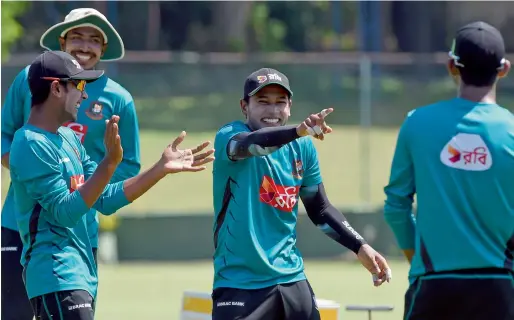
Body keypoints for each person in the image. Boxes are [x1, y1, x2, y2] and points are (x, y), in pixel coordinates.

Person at [9, 50, 214, 320]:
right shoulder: (30, 143)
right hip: (55, 274)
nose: (84, 95)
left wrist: (159, 169)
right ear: (56, 88)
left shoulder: (69, 138)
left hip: (81, 275)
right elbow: (64, 212)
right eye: (79, 85)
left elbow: (103, 199)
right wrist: (109, 163)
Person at [211, 68, 392, 320]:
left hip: (292, 281)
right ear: (244, 106)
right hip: (240, 286)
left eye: (280, 102)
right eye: (262, 102)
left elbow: (320, 209)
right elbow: (254, 144)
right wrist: (298, 131)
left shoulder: (303, 146)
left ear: (289, 106)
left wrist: (359, 246)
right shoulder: (229, 137)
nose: (272, 110)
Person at [1, 8, 140, 319]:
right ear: (61, 41)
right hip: (19, 221)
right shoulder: (31, 78)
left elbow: (127, 165)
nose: (84, 46)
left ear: (103, 49)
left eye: (94, 40)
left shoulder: (119, 99)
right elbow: (4, 135)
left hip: (79, 227)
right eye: (76, 36)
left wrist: (87, 189)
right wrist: (35, 173)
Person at [383, 21, 514, 320]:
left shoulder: (416, 122)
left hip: (433, 284)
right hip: (501, 287)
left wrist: (417, 259)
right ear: (504, 68)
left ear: (451, 66)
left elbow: (395, 207)